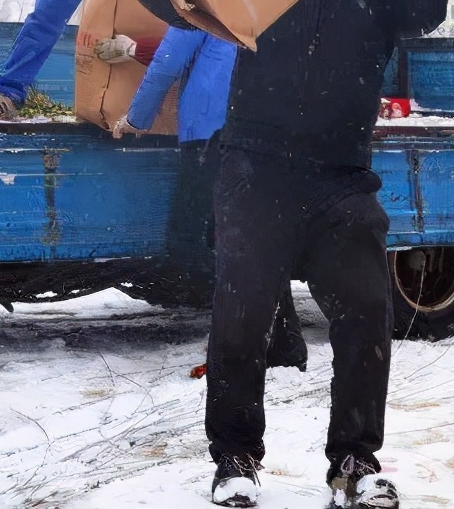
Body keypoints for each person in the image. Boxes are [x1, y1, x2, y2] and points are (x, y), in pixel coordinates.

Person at [206, 0, 447, 509]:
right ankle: (234, 459)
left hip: (339, 185)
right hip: (256, 173)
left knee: (369, 309)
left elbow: (430, 6)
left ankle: (354, 462)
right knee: (241, 313)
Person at [96, 27, 307, 371]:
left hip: (210, 133)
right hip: (263, 131)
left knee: (191, 240)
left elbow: (168, 61)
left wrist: (137, 117)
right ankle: (284, 340)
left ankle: (247, 337)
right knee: (251, 239)